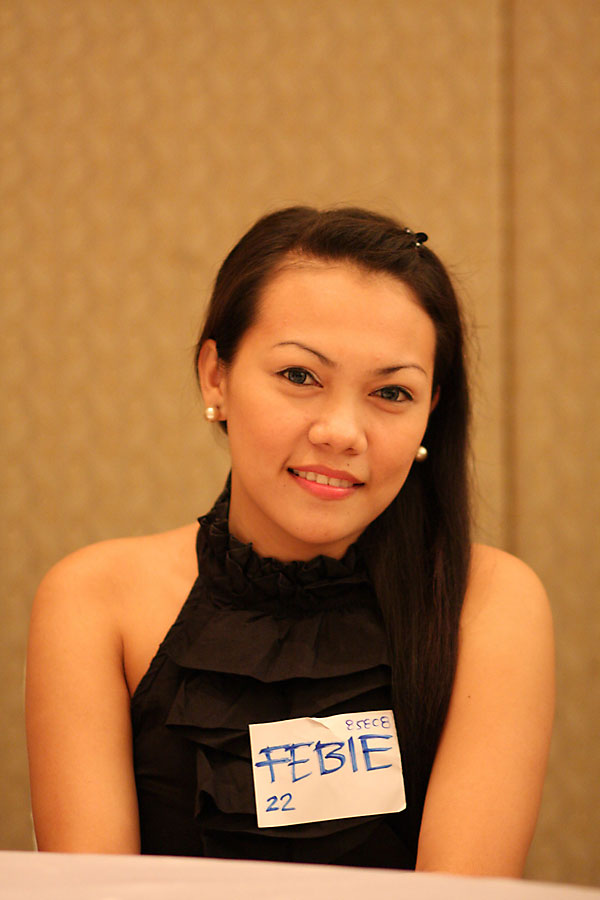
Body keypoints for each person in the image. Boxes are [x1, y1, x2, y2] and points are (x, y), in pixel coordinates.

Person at [26, 206, 554, 874]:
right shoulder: (97, 601)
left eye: (392, 392)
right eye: (300, 376)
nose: (341, 432)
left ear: (431, 412)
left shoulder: (488, 604)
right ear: (216, 376)